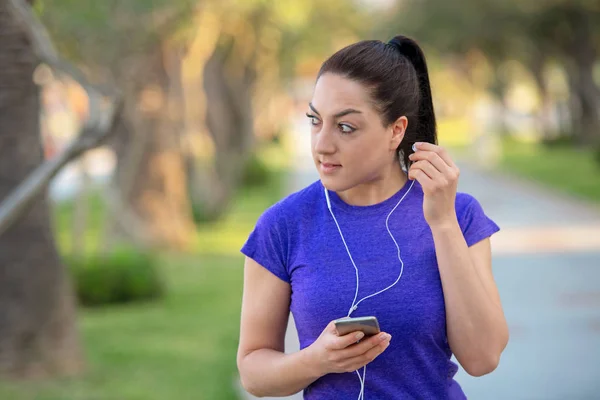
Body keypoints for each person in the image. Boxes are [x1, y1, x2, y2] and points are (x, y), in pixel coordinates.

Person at [236, 34, 509, 400]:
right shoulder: (283, 225)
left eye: (345, 127)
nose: (322, 144)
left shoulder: (458, 214)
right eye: (315, 121)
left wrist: (442, 224)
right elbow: (253, 372)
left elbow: (483, 357)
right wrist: (316, 360)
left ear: (395, 130)